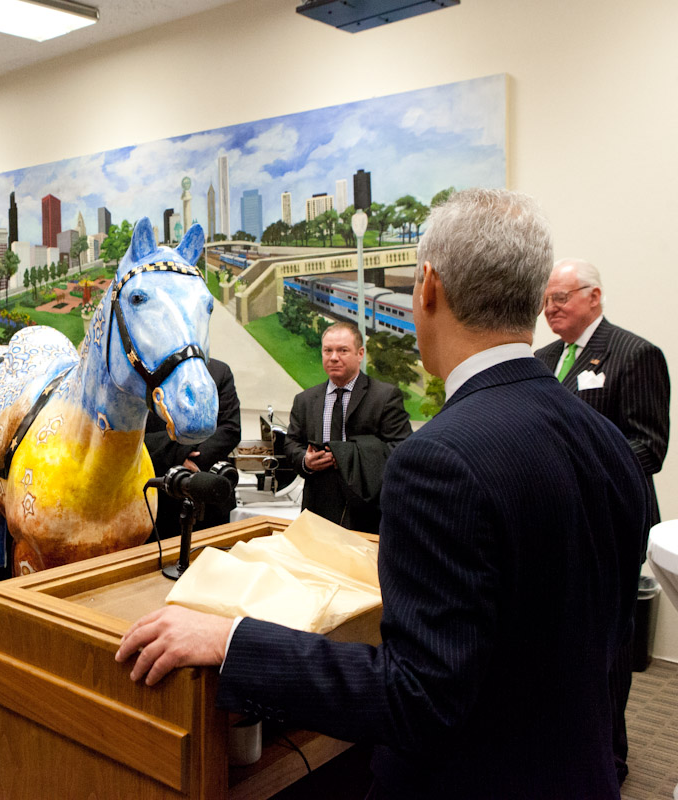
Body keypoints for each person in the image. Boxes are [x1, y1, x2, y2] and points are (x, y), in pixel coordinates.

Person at [116, 189, 648, 799]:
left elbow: (416, 698)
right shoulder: (606, 442)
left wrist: (231, 641)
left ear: (428, 288)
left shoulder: (439, 461)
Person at [536, 257, 671, 784]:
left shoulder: (634, 354)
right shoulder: (543, 359)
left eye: (561, 298)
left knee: (608, 648)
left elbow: (649, 446)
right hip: (558, 524)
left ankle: (610, 757)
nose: (551, 308)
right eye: (547, 300)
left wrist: (581, 469)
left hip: (611, 524)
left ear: (594, 296)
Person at [283, 322, 411, 533]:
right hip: (318, 510)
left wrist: (349, 455)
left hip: (367, 510)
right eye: (328, 350)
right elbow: (291, 443)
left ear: (360, 354)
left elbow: (401, 448)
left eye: (343, 350)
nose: (334, 357)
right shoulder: (305, 400)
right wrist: (306, 461)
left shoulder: (384, 397)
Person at [144, 357, 241, 534]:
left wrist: (190, 456)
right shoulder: (145, 375)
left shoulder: (219, 371)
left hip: (210, 494)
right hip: (159, 497)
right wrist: (178, 454)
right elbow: (133, 436)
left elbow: (230, 429)